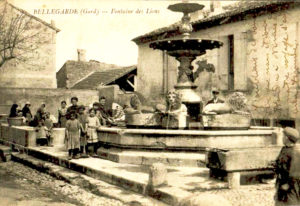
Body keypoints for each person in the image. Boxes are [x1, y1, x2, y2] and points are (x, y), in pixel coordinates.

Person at [274, 127, 300, 205]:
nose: (282, 138)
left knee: (291, 203)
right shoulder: (285, 149)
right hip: (282, 183)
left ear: (287, 138)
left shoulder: (294, 152)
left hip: (291, 186)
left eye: (283, 136)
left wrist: (288, 184)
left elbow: (295, 172)